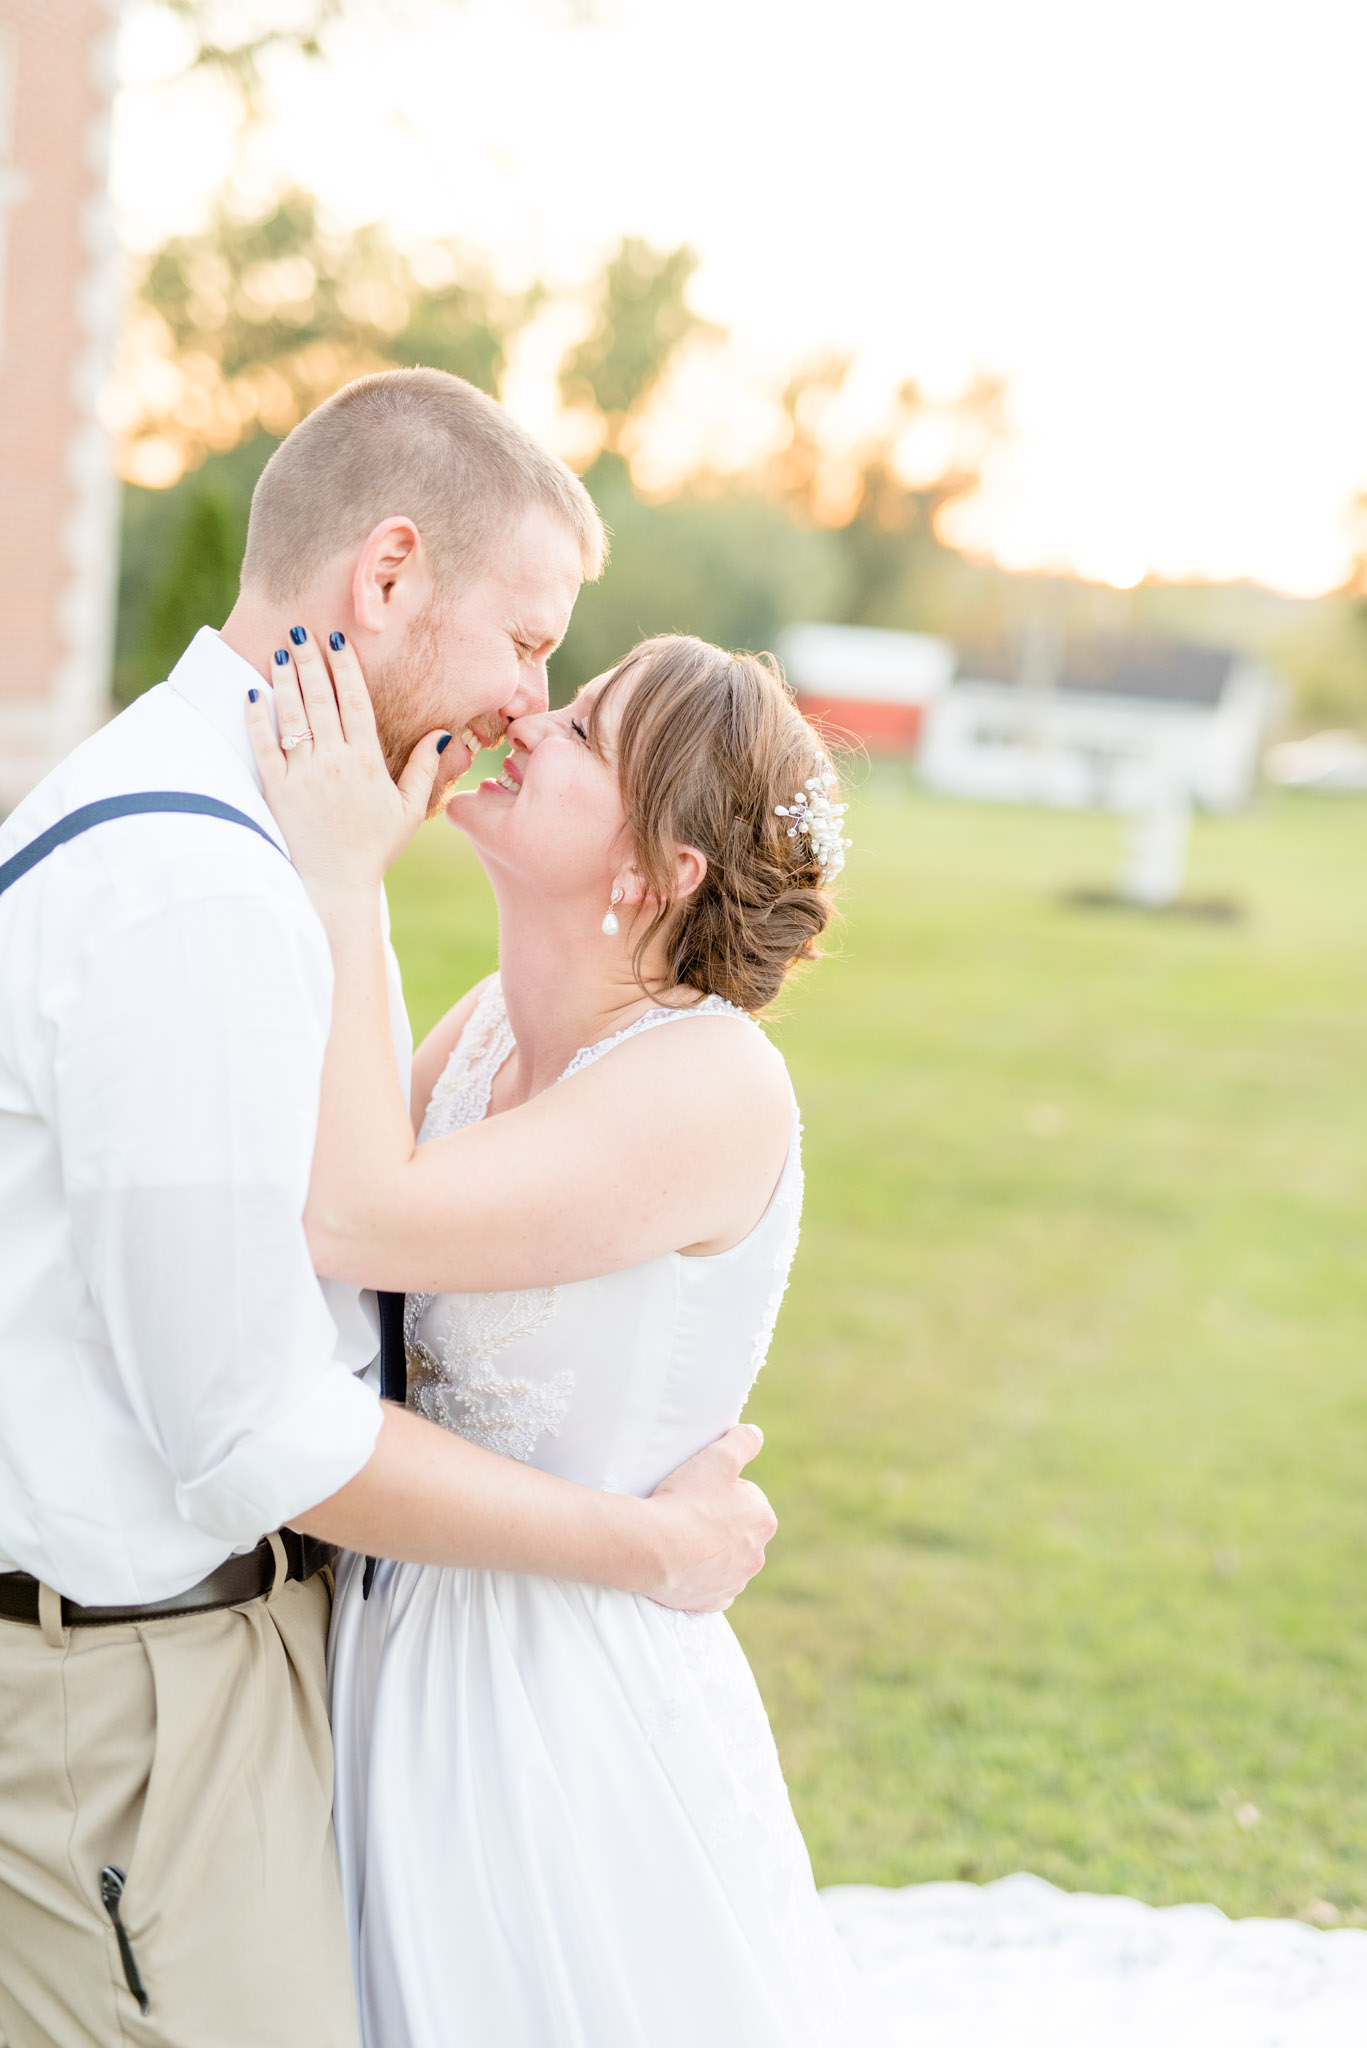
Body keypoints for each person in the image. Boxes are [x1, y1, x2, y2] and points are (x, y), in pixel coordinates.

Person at [0, 370, 775, 2048]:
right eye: (530, 644)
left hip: (350, 1675)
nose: (526, 696)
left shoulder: (249, 846)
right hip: (138, 1705)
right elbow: (254, 1424)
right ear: (389, 575)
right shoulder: (202, 888)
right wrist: (648, 1539)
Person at [247, 624, 861, 2048]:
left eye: (586, 728)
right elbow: (299, 1237)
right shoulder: (479, 1031)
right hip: (388, 1633)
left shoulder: (712, 1081)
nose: (532, 716)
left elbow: (355, 1219)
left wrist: (347, 878)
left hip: (552, 1696)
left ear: (663, 868)